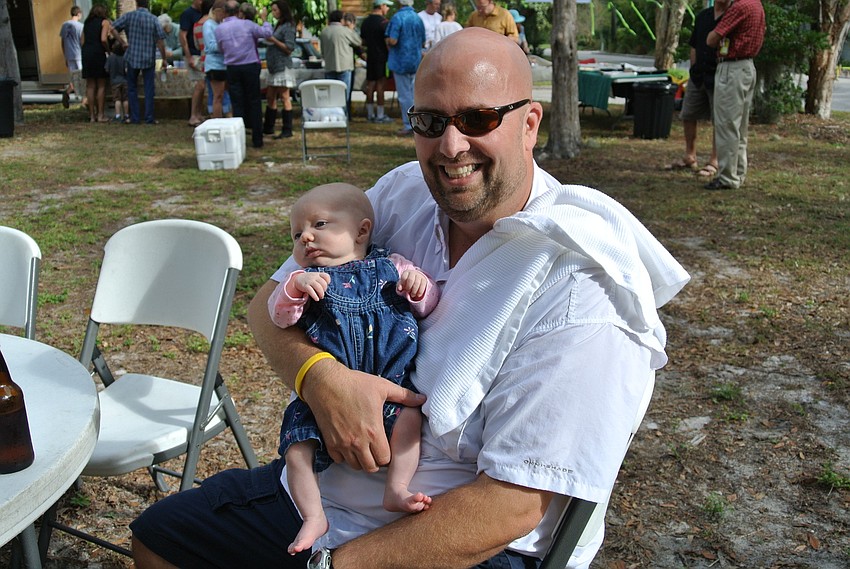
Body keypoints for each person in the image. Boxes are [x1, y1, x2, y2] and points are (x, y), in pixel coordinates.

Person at [130, 27, 689, 569]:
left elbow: (512, 505)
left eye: (478, 119)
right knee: (159, 540)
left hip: (456, 538)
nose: (451, 146)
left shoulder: (581, 291)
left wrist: (333, 566)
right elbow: (265, 306)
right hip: (326, 492)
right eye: (430, 120)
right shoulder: (403, 194)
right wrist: (323, 381)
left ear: (529, 124)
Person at [268, 183, 439, 554]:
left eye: (320, 224)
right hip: (324, 400)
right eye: (297, 234)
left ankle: (396, 487)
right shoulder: (304, 280)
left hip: (389, 385)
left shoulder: (392, 265)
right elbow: (279, 317)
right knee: (297, 449)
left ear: (361, 231)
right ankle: (313, 514)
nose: (306, 237)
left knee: (411, 419)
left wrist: (418, 287)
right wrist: (296, 288)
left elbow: (427, 306)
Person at [705, 0, 765, 190]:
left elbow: (712, 39)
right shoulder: (756, 5)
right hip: (747, 67)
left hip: (732, 68)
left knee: (726, 124)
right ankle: (737, 173)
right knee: (740, 126)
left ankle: (727, 178)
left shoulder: (740, 6)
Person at [666, 0, 726, 177]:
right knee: (688, 113)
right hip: (698, 75)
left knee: (719, 120)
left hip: (719, 75)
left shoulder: (731, 16)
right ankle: (689, 155)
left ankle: (714, 160)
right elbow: (694, 44)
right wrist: (694, 68)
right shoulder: (703, 17)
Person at [215, 0, 272, 148]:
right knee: (254, 101)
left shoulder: (219, 29)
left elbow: (221, 49)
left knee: (237, 103)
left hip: (232, 67)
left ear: (225, 11)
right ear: (238, 11)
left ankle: (239, 140)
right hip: (250, 65)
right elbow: (267, 33)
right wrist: (265, 19)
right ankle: (257, 139)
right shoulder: (247, 24)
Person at [111, 0, 169, 125]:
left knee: (132, 88)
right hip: (148, 57)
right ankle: (149, 117)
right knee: (149, 88)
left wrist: (122, 42)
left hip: (132, 56)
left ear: (137, 3)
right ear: (147, 4)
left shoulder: (129, 16)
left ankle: (135, 118)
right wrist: (164, 59)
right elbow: (160, 41)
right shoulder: (153, 19)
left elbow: (113, 28)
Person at [385, 0, 425, 136]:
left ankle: (409, 125)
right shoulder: (417, 18)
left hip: (400, 61)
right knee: (415, 94)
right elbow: (423, 40)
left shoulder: (397, 17)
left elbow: (393, 40)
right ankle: (420, 123)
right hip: (415, 60)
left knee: (404, 96)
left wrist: (387, 40)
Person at [263, 0, 298, 138]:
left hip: (282, 66)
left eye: (275, 10)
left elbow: (289, 48)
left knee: (284, 97)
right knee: (270, 96)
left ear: (282, 10)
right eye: (272, 10)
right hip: (273, 66)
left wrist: (274, 40)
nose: (274, 13)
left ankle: (287, 129)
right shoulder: (279, 25)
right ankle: (268, 127)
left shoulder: (288, 26)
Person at [320, 10, 363, 118]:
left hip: (329, 65)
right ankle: (344, 115)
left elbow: (322, 51)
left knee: (331, 93)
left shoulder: (324, 31)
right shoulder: (345, 31)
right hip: (345, 66)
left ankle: (332, 115)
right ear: (341, 19)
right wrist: (352, 29)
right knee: (344, 94)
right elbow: (358, 42)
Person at [360, 0, 393, 123]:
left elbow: (362, 41)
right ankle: (380, 114)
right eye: (387, 6)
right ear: (381, 6)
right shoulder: (384, 23)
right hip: (382, 58)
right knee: (380, 85)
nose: (388, 9)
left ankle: (370, 113)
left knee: (370, 85)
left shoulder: (365, 22)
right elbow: (387, 42)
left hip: (370, 57)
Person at [80, 3, 111, 123]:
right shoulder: (104, 22)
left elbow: (82, 41)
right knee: (101, 84)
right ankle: (101, 114)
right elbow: (103, 39)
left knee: (90, 85)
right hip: (98, 53)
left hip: (86, 53)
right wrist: (108, 50)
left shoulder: (86, 23)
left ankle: (92, 115)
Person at [203, 0, 233, 118]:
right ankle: (217, 121)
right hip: (215, 65)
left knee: (225, 95)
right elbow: (211, 45)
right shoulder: (208, 24)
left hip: (224, 63)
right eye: (224, 13)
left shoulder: (220, 24)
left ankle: (227, 118)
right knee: (218, 96)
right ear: (217, 12)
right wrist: (227, 45)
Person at [180, 0, 207, 127]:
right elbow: (183, 35)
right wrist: (188, 55)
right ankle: (193, 115)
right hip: (193, 53)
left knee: (202, 85)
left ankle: (199, 113)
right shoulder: (187, 14)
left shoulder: (204, 13)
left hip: (201, 54)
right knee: (199, 84)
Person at [59, 5, 84, 109]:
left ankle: (68, 91)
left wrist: (65, 55)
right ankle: (82, 99)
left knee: (73, 76)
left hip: (69, 55)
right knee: (81, 78)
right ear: (79, 14)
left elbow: (62, 41)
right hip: (78, 54)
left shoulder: (64, 25)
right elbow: (82, 41)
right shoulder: (81, 26)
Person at [105, 40, 129, 123]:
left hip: (115, 81)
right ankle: (126, 115)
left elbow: (106, 69)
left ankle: (118, 115)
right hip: (125, 81)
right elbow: (126, 70)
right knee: (125, 99)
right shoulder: (125, 58)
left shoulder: (110, 58)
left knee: (117, 99)